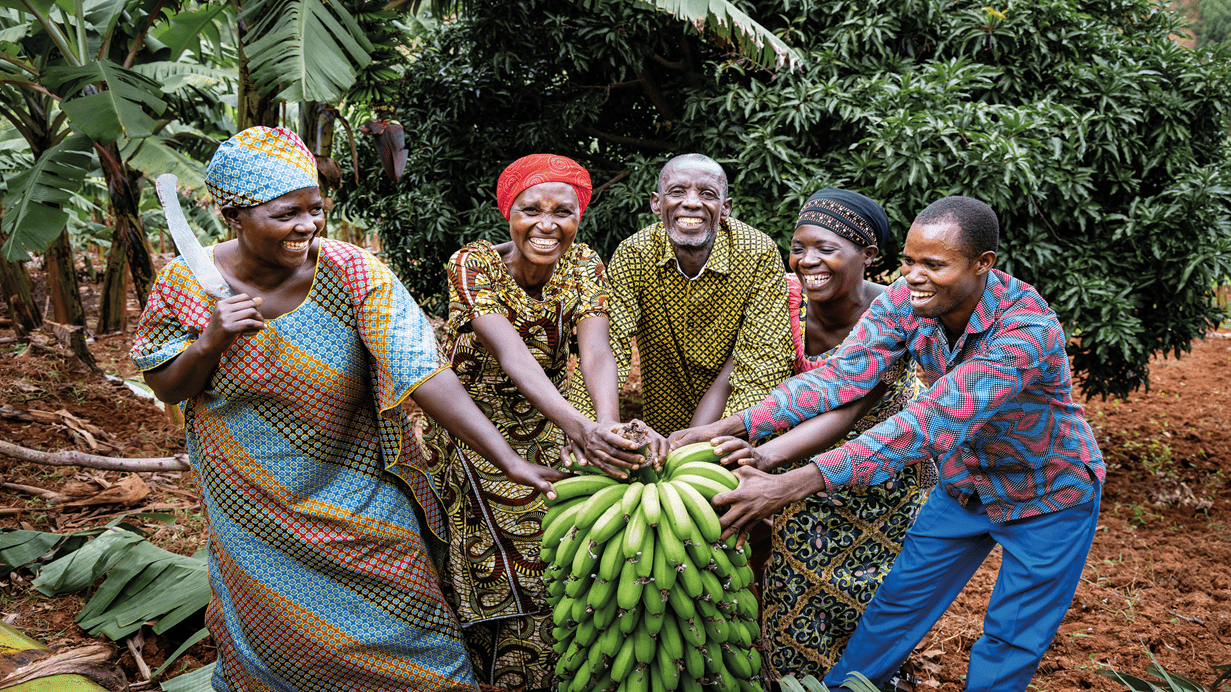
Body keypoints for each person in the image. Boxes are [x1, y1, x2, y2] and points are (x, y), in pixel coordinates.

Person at [131, 127, 560, 692]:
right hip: (251, 501)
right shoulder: (187, 281)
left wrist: (507, 460)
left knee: (415, 627)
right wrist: (210, 340)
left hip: (358, 482)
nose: (306, 227)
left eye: (316, 209)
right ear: (234, 215)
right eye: (286, 214)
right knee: (278, 637)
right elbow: (166, 385)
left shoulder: (350, 270)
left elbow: (422, 372)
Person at [711, 196, 1106, 692]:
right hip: (965, 483)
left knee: (1011, 638)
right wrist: (729, 428)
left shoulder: (1025, 332)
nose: (914, 275)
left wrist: (789, 484)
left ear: (982, 265)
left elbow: (927, 422)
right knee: (897, 605)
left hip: (1048, 493)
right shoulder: (908, 301)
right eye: (909, 261)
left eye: (934, 265)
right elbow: (840, 377)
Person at [672, 189, 938, 684]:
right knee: (793, 596)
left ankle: (874, 678)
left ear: (869, 255)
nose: (807, 260)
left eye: (826, 248)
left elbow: (848, 404)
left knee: (873, 598)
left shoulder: (897, 311)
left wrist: (763, 456)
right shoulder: (784, 302)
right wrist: (695, 439)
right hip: (799, 477)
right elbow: (732, 373)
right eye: (798, 247)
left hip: (882, 481)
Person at [423, 154, 650, 691]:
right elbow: (512, 355)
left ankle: (542, 677)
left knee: (558, 551)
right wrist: (581, 427)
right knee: (494, 563)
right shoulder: (472, 265)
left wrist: (607, 429)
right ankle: (489, 676)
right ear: (509, 212)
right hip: (471, 431)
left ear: (579, 216)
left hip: (546, 427)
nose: (547, 224)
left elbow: (596, 354)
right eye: (531, 209)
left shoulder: (584, 264)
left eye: (563, 212)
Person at [570, 153, 793, 436]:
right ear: (656, 203)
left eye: (707, 194)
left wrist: (721, 434)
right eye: (677, 192)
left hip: (735, 423)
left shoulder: (757, 253)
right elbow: (607, 346)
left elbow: (765, 360)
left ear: (725, 208)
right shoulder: (635, 253)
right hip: (664, 412)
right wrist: (596, 428)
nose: (690, 202)